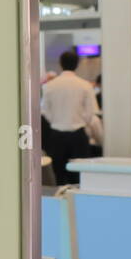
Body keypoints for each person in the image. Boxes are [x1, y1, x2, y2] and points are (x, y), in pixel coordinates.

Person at [41, 50, 100, 186]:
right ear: (77, 64)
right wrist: (80, 121)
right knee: (79, 178)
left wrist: (56, 121)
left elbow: (45, 111)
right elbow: (90, 113)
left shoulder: (49, 86)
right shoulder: (85, 85)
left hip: (56, 136)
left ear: (61, 64)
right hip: (78, 136)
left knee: (59, 177)